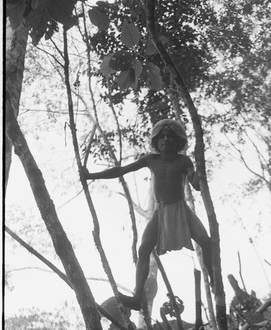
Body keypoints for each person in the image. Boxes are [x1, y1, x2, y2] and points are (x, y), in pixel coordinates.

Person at [83, 118, 213, 310]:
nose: (166, 140)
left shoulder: (183, 161)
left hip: (180, 209)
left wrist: (198, 177)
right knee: (143, 250)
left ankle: (215, 283)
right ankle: (137, 298)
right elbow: (121, 170)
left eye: (170, 136)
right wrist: (91, 176)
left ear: (177, 141)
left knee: (206, 242)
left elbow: (195, 183)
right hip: (160, 211)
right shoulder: (150, 160)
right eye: (162, 137)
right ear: (156, 141)